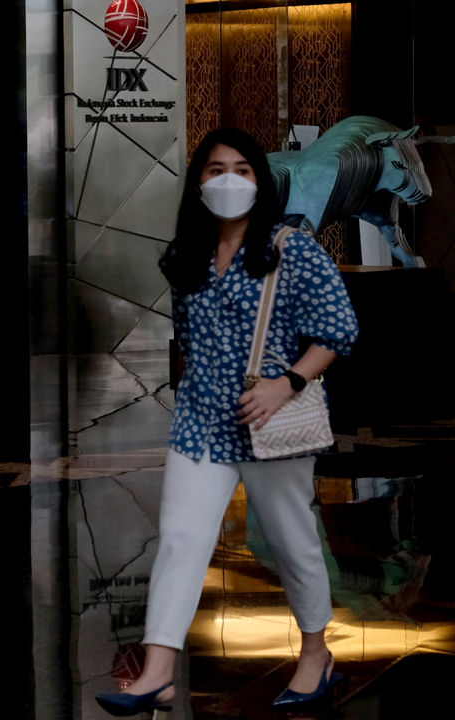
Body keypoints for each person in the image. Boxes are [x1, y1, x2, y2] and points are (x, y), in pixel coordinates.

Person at [95, 127, 359, 717]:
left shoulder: (293, 250)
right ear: (198, 184)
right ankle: (157, 671)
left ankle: (316, 656)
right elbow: (188, 340)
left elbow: (338, 331)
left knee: (293, 544)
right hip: (200, 423)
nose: (229, 181)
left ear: (260, 181)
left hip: (273, 421)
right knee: (181, 540)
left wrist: (284, 383)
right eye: (216, 170)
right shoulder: (188, 256)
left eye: (242, 169)